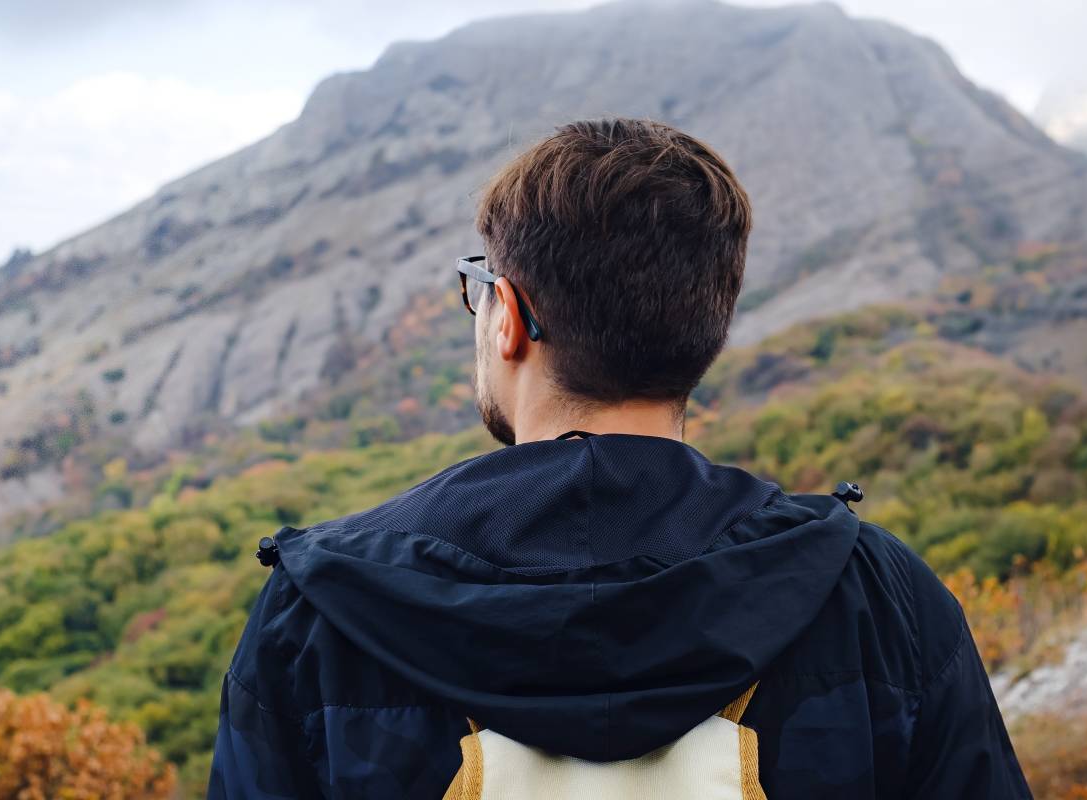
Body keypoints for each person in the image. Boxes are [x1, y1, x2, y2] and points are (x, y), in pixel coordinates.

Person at [209, 118, 1031, 798]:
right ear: (705, 326)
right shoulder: (878, 599)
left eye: (481, 287)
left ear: (511, 319)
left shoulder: (319, 617)